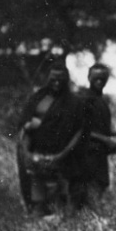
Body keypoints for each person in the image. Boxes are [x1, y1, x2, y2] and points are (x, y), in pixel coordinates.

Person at [15, 59, 87, 217]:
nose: (56, 83)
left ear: (67, 80)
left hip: (62, 157)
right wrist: (27, 153)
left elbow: (79, 131)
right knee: (37, 197)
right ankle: (37, 213)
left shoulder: (75, 103)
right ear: (47, 78)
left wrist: (62, 155)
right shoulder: (38, 98)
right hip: (36, 155)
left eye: (60, 80)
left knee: (58, 199)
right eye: (53, 79)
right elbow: (24, 128)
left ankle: (58, 216)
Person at [75, 63, 116, 205]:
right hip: (87, 156)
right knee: (90, 193)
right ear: (89, 77)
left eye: (103, 78)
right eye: (96, 77)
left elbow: (99, 129)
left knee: (98, 190)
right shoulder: (84, 99)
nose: (100, 81)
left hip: (99, 154)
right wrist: (106, 140)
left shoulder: (101, 100)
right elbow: (80, 129)